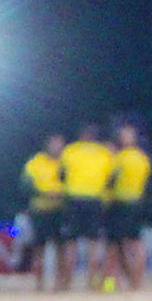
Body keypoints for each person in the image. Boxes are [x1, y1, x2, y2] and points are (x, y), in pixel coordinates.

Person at [60, 123, 115, 290]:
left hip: (74, 199)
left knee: (70, 243)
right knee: (94, 243)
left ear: (80, 136)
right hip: (95, 200)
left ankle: (67, 283)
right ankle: (91, 282)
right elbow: (111, 179)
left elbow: (61, 175)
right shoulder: (104, 153)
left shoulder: (70, 150)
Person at [104, 122, 152, 291]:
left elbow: (109, 181)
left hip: (119, 204)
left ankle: (111, 285)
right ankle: (136, 284)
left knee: (113, 247)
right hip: (137, 201)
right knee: (136, 243)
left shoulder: (118, 159)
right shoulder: (142, 158)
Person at [21, 134, 68, 292]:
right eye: (54, 144)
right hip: (40, 210)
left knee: (60, 249)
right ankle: (39, 284)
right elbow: (26, 186)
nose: (57, 147)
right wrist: (46, 194)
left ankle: (60, 284)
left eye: (60, 144)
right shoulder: (35, 162)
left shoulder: (67, 162)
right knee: (39, 248)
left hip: (60, 210)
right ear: (47, 145)